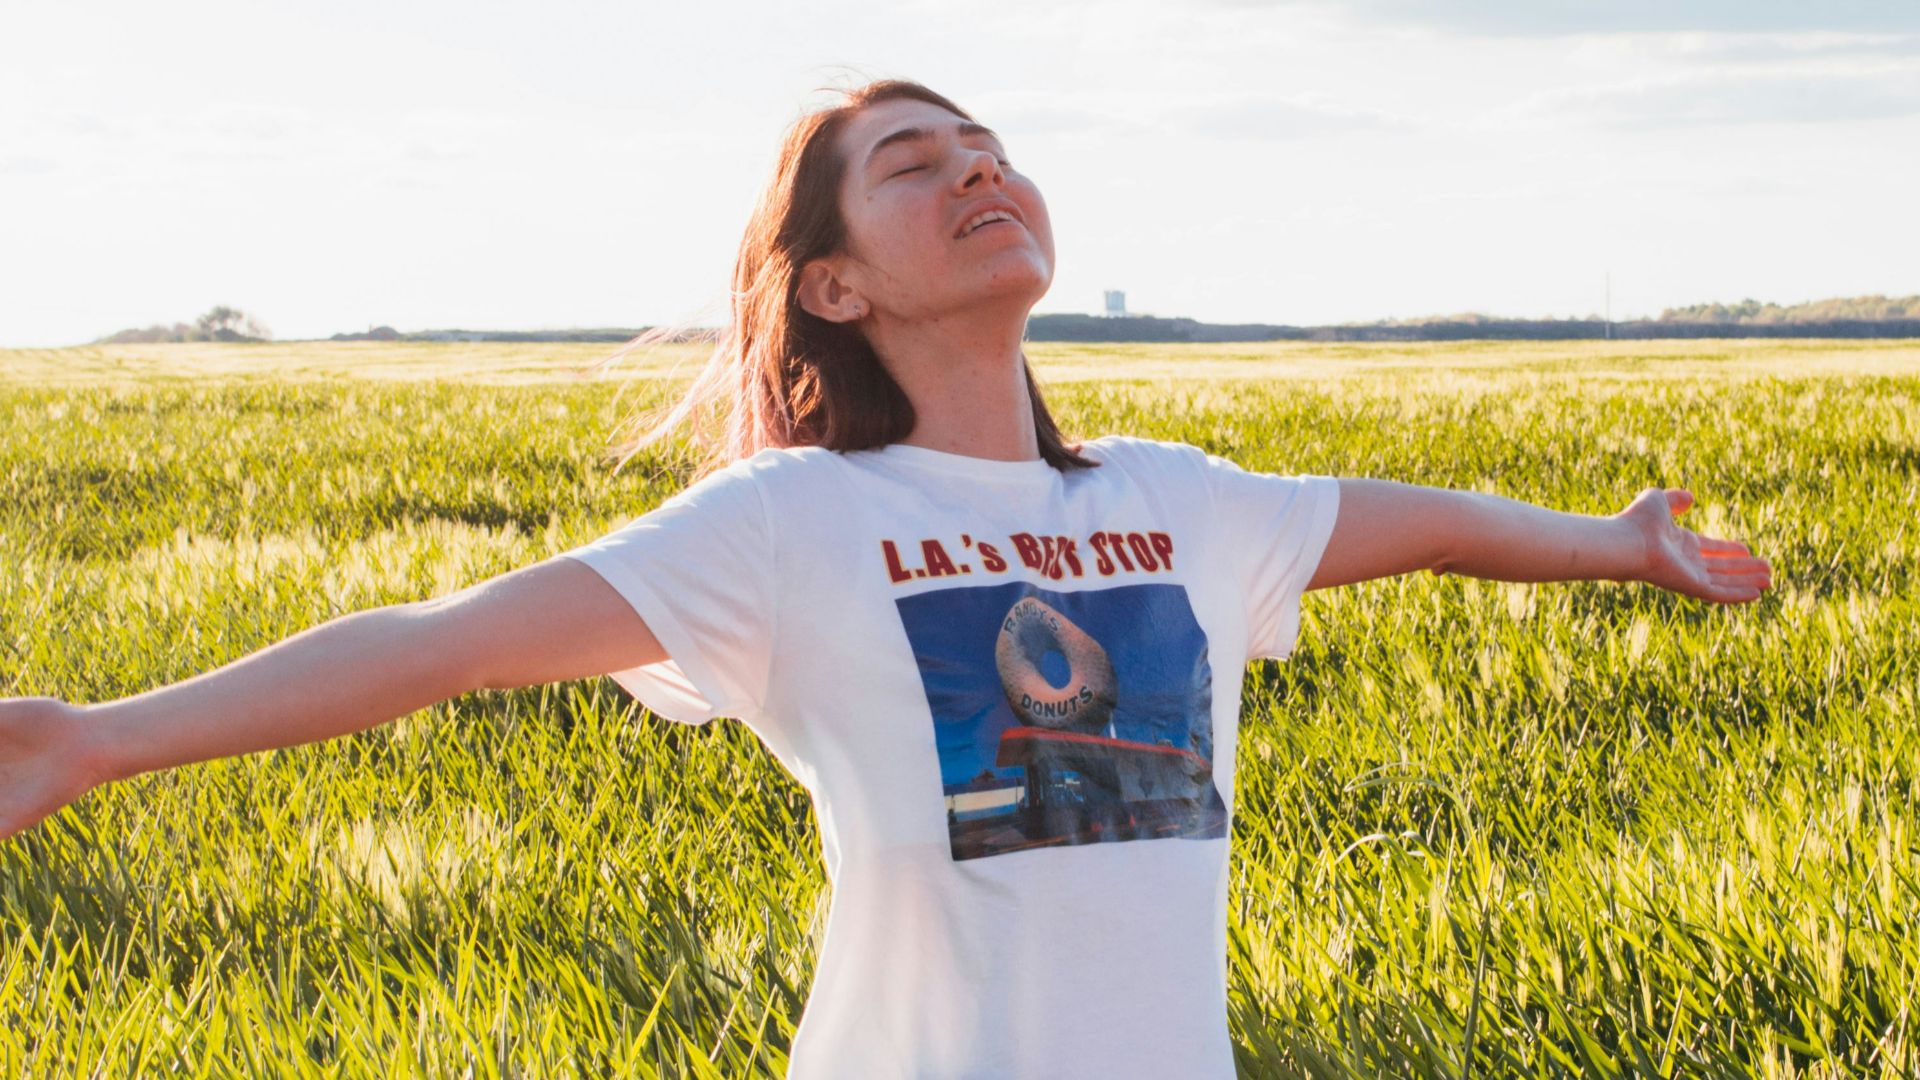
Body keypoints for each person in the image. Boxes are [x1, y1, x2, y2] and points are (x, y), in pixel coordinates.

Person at [0, 78, 1773, 1077]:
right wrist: (95, 737)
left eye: (988, 147)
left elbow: (1435, 523)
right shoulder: (788, 524)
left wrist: (1623, 545)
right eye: (913, 166)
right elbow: (446, 645)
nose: (979, 170)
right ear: (835, 288)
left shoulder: (1181, 502)